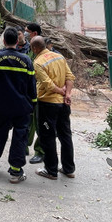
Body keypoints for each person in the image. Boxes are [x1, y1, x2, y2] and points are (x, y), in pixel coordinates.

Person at [0, 27, 37, 184]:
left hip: (2, 106)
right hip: (21, 107)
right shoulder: (26, 60)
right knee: (20, 137)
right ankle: (16, 172)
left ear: (4, 41)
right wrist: (32, 103)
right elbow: (32, 85)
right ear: (17, 41)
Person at [29, 36, 76, 180]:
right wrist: (67, 94)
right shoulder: (59, 57)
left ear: (35, 48)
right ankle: (69, 169)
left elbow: (47, 84)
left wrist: (61, 91)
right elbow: (70, 76)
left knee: (47, 137)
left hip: (47, 104)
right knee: (65, 135)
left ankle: (51, 170)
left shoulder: (38, 62)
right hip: (63, 104)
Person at [23, 23, 46, 164]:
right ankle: (24, 146)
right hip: (28, 92)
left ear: (34, 33)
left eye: (27, 32)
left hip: (41, 94)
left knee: (40, 123)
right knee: (28, 121)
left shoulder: (46, 50)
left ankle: (40, 151)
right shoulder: (28, 49)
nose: (25, 34)